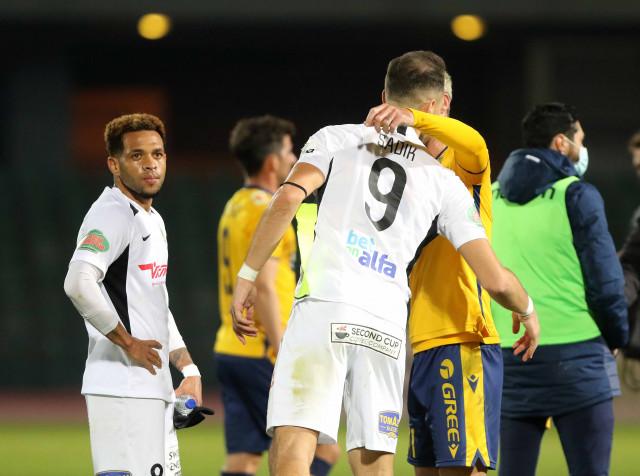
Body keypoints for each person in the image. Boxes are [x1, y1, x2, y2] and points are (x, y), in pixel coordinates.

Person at [231, 51, 540, 476]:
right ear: (439, 106)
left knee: (294, 441)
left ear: (383, 97)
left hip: (324, 305)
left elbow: (286, 198)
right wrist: (526, 308)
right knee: (375, 459)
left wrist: (247, 275)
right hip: (387, 323)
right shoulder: (444, 181)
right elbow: (495, 280)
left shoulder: (336, 137)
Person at [367, 63, 501, 475]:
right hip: (418, 343)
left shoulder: (463, 164)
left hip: (462, 336)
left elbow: (475, 142)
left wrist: (414, 118)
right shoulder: (394, 170)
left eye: (419, 108)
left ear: (442, 105)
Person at [491, 103, 629, 476]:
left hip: (510, 355)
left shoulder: (490, 195)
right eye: (579, 139)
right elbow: (605, 281)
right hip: (578, 356)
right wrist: (617, 334)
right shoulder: (577, 194)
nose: (583, 148)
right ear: (560, 143)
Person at [64, 113, 204, 476]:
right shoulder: (112, 214)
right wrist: (128, 343)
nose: (150, 164)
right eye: (137, 155)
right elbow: (78, 282)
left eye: (157, 154)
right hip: (122, 387)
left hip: (150, 387)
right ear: (114, 164)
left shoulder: (150, 218)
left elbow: (155, 302)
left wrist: (188, 368)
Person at [215, 115, 340, 476]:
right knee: (323, 448)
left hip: (231, 348)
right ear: (272, 162)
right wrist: (283, 347)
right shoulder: (269, 209)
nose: (295, 158)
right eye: (288, 151)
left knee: (243, 459)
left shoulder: (236, 203)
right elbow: (266, 285)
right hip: (264, 348)